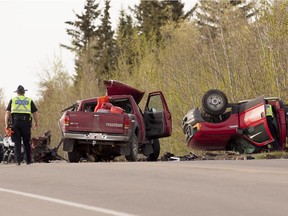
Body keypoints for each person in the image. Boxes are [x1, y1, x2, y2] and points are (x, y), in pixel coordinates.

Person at [4, 85, 39, 165]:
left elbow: (7, 113)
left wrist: (6, 124)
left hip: (15, 123)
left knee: (17, 142)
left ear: (17, 93)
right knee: (27, 142)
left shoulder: (13, 100)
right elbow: (35, 113)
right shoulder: (29, 100)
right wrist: (36, 123)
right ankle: (28, 161)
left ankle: (18, 161)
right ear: (24, 92)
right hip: (26, 123)